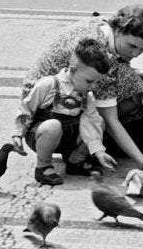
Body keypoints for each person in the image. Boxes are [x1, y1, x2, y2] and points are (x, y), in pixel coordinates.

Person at [21, 5, 143, 173]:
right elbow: (111, 121)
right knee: (127, 100)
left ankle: (83, 148)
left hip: (61, 95)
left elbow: (114, 69)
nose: (136, 53)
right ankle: (76, 147)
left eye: (142, 48)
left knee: (133, 84)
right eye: (132, 46)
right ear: (118, 31)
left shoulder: (100, 30)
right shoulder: (101, 57)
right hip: (42, 116)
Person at [13, 38, 117, 186]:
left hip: (69, 138)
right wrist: (18, 133)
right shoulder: (49, 84)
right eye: (89, 81)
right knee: (53, 126)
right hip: (41, 135)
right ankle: (43, 166)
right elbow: (26, 109)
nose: (93, 86)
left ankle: (75, 160)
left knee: (98, 121)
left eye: (97, 82)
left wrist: (99, 151)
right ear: (73, 70)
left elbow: (91, 124)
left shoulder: (87, 96)